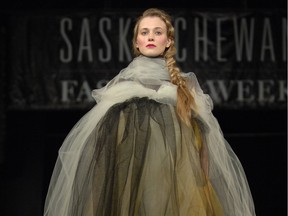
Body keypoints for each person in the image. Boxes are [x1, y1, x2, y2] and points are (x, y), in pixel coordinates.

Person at [44, 8, 256, 216]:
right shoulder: (120, 89)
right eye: (144, 32)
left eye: (158, 32)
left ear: (169, 41)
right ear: (136, 42)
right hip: (131, 188)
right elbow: (104, 150)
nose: (151, 37)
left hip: (179, 185)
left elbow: (202, 142)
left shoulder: (185, 86)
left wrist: (201, 184)